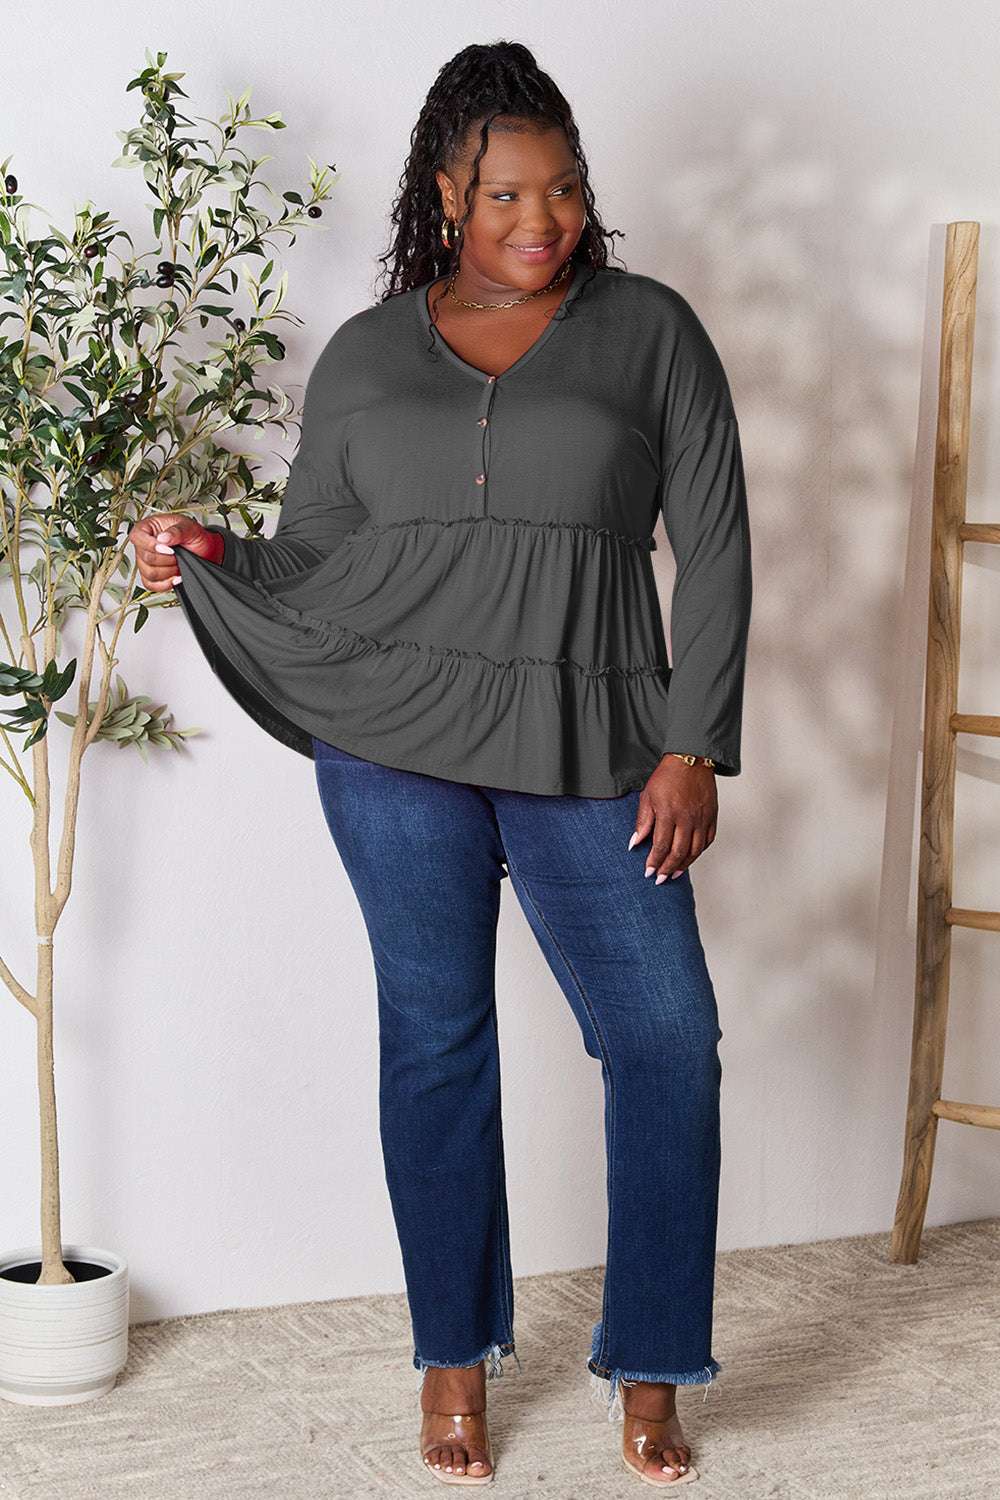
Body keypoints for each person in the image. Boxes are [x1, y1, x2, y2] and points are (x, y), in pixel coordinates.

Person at [129, 39, 751, 1490]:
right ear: (443, 194)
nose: (540, 221)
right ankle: (452, 1367)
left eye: (564, 190)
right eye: (504, 194)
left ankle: (653, 1367)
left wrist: (692, 741)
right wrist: (212, 553)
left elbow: (713, 547)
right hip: (392, 745)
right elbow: (322, 558)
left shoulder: (653, 332)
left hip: (595, 741)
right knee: (436, 1043)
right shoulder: (363, 355)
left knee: (665, 1042)